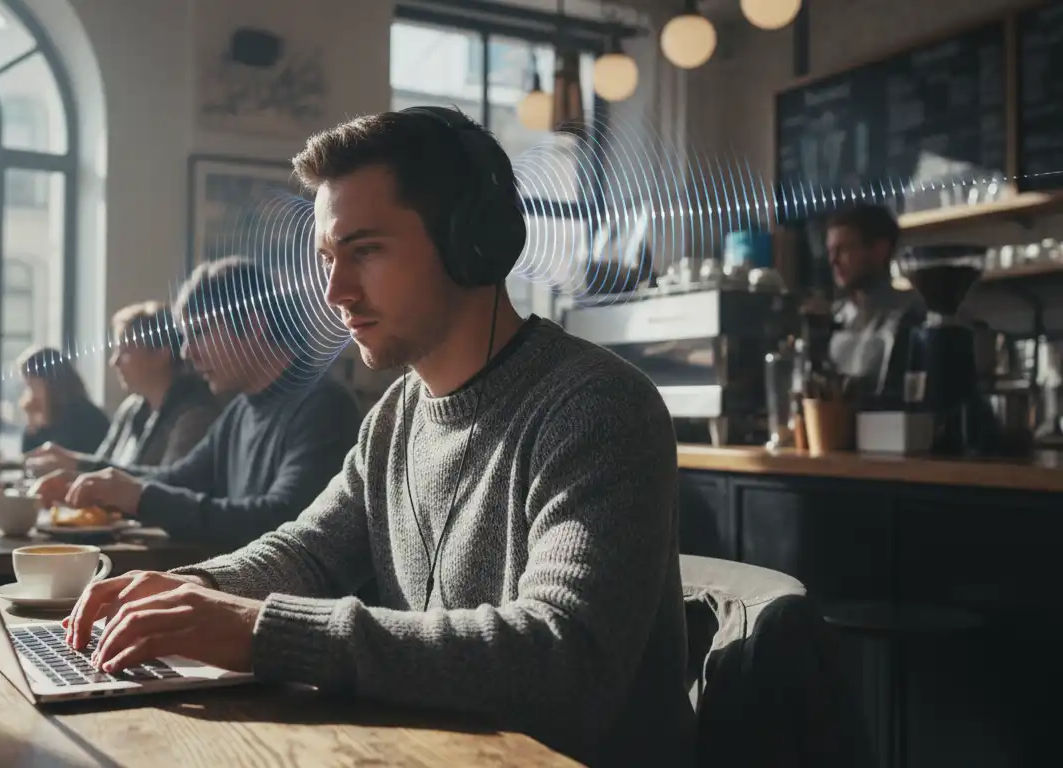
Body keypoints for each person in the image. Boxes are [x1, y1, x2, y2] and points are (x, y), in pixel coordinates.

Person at [59, 108, 694, 766]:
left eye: (364, 251)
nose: (335, 291)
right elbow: (306, 553)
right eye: (328, 258)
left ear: (470, 241)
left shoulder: (597, 406)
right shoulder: (395, 416)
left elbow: (563, 659)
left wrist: (261, 631)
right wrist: (186, 590)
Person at [31, 256, 360, 550]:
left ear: (254, 325)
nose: (187, 352)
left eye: (199, 333)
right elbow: (178, 479)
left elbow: (279, 519)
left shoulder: (323, 407)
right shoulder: (240, 411)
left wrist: (137, 496)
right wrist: (90, 478)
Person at [25, 302, 219, 476]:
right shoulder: (131, 409)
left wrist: (76, 463)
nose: (114, 361)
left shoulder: (194, 416)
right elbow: (98, 470)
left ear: (162, 354)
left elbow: (168, 487)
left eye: (125, 350)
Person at [825, 204, 925, 402]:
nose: (833, 261)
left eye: (843, 249)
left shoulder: (909, 314)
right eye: (830, 251)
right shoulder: (832, 318)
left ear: (880, 250)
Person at [16, 346, 110, 455]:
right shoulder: (39, 419)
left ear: (51, 383)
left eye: (32, 386)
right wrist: (32, 429)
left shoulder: (88, 419)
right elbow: (28, 465)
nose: (29, 395)